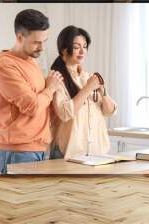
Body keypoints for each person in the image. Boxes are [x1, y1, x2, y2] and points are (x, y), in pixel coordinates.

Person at [0, 9, 63, 174]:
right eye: (37, 42)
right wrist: (51, 88)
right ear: (20, 37)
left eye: (45, 41)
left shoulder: (31, 61)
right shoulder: (5, 66)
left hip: (37, 147)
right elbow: (33, 106)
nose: (42, 48)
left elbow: (41, 100)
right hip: (18, 151)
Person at [50, 25, 117, 160]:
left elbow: (110, 111)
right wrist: (88, 88)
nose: (82, 51)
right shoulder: (56, 78)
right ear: (64, 50)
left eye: (85, 46)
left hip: (96, 154)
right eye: (76, 47)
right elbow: (64, 113)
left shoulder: (88, 77)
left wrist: (103, 93)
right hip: (68, 154)